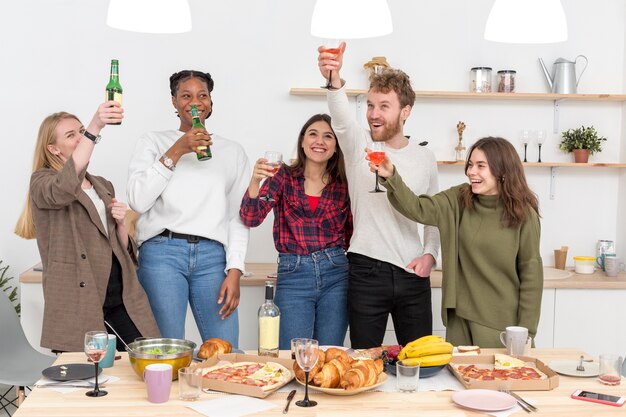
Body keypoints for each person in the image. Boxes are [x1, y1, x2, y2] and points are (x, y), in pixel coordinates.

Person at [318, 43, 441, 349]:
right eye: (371, 105)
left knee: (419, 360)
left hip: (413, 272)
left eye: (384, 106)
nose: (374, 114)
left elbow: (434, 216)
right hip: (366, 270)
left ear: (405, 111)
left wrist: (431, 256)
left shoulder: (425, 157)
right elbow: (343, 118)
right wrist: (333, 79)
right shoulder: (358, 143)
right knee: (364, 361)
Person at [14, 103, 160, 352]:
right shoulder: (42, 182)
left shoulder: (102, 185)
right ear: (53, 149)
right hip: (78, 299)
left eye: (81, 131)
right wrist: (95, 126)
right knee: (84, 378)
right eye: (72, 135)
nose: (81, 138)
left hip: (120, 295)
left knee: (149, 360)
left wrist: (122, 224)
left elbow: (120, 248)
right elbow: (63, 189)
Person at [374, 137, 544, 347]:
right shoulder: (459, 198)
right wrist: (391, 176)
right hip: (459, 321)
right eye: (470, 165)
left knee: (499, 379)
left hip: (501, 326)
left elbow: (531, 274)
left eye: (481, 166)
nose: (472, 171)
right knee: (459, 379)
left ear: (503, 170)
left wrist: (526, 333)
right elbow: (417, 208)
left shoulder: (523, 214)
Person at [127, 70, 250, 347]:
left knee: (226, 353)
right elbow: (137, 199)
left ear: (211, 103)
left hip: (213, 257)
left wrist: (235, 269)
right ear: (174, 102)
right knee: (167, 353)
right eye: (186, 95)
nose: (195, 102)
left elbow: (238, 217)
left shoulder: (233, 152)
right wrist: (177, 149)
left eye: (202, 95)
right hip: (162, 254)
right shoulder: (153, 142)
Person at [240, 114, 352, 349]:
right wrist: (254, 181)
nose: (319, 141)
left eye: (328, 136)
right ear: (302, 142)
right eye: (313, 134)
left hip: (336, 275)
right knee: (292, 354)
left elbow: (352, 234)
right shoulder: (283, 176)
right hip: (294, 274)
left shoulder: (344, 183)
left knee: (330, 354)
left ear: (335, 147)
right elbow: (251, 217)